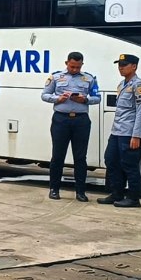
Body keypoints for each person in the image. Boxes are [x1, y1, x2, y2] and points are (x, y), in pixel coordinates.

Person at [41, 52, 100, 201]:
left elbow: (97, 98)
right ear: (66, 63)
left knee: (80, 157)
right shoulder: (56, 77)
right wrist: (58, 98)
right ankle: (54, 189)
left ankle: (80, 192)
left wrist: (85, 99)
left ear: (82, 65)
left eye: (78, 67)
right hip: (61, 120)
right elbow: (44, 95)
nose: (75, 69)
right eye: (72, 66)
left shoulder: (89, 78)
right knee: (58, 156)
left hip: (81, 121)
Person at [97, 54, 141, 208]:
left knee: (129, 165)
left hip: (129, 133)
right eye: (119, 64)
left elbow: (140, 112)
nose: (120, 67)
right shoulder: (121, 84)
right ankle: (117, 193)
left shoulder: (139, 86)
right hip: (117, 131)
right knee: (111, 160)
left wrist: (136, 135)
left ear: (134, 66)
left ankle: (133, 198)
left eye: (124, 64)